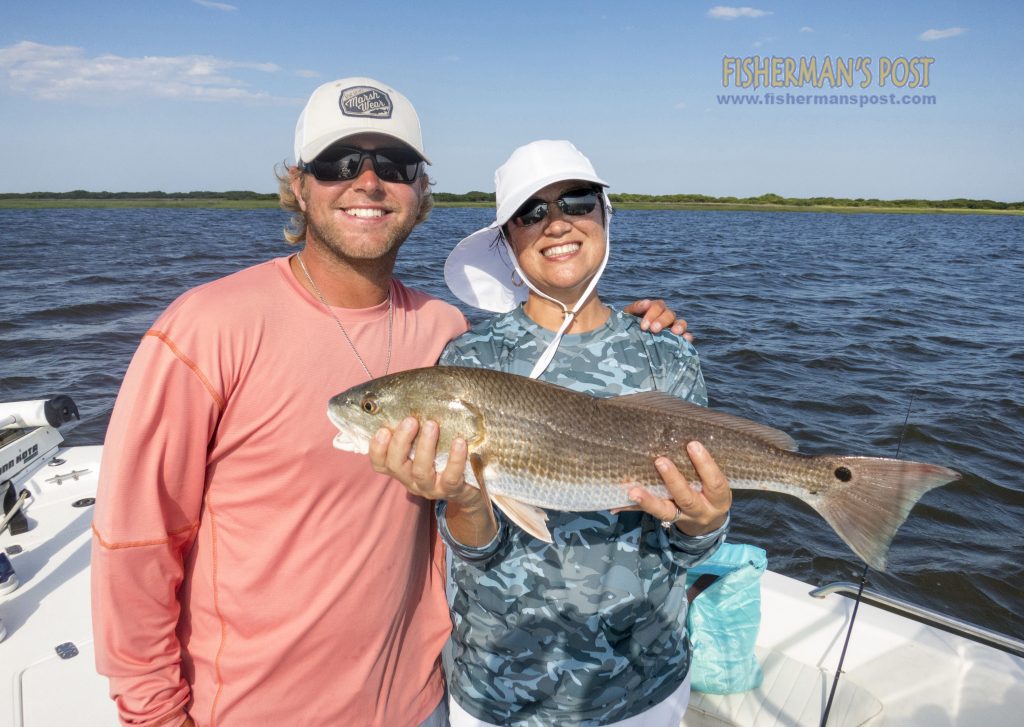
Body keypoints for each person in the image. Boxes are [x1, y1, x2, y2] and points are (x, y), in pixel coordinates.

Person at [91, 79, 687, 727]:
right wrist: (154, 714)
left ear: (420, 191)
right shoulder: (206, 328)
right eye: (338, 163)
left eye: (395, 166)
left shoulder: (444, 332)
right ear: (298, 185)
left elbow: (527, 420)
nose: (368, 182)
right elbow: (135, 542)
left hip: (421, 700)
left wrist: (650, 329)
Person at [371, 140, 733, 726]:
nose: (557, 222)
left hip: (642, 686)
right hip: (498, 687)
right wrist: (464, 495)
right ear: (507, 241)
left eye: (577, 201)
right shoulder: (468, 359)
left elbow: (694, 543)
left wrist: (706, 519)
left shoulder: (666, 353)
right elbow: (475, 549)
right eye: (530, 213)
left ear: (604, 216)